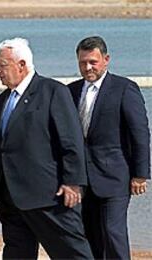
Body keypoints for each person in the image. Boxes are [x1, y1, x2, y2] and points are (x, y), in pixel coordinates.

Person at [0, 37, 94, 259]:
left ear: (22, 65)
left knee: (71, 253)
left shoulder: (52, 91)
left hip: (49, 196)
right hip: (9, 196)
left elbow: (71, 140)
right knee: (17, 253)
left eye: (2, 65)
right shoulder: (4, 99)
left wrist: (73, 182)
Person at [68, 36, 150, 259]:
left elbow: (140, 133)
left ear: (106, 60)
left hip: (115, 177)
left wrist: (140, 174)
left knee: (113, 233)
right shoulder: (71, 91)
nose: (88, 67)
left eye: (93, 62)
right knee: (89, 235)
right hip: (82, 180)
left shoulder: (124, 88)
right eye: (83, 63)